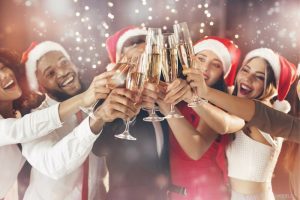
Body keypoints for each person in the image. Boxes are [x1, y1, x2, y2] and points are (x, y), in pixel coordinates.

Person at [20, 41, 138, 200]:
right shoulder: (33, 121)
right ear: (40, 87)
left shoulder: (97, 99)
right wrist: (98, 118)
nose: (62, 72)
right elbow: (53, 165)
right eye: (50, 73)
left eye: (64, 62)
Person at [184, 48, 297, 199]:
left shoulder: (262, 111)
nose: (247, 79)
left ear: (272, 89)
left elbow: (226, 124)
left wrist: (194, 95)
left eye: (259, 77)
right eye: (245, 70)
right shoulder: (242, 106)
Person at [0, 48, 107, 199]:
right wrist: (84, 99)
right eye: (50, 73)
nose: (4, 75)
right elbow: (20, 130)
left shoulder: (19, 113)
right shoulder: (26, 121)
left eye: (4, 68)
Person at [92, 26, 170, 200]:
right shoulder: (109, 96)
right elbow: (98, 148)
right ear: (120, 61)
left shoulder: (163, 94)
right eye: (133, 45)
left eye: (146, 44)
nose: (142, 48)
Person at [159, 36, 241, 200]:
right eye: (201, 58)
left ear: (221, 75)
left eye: (216, 65)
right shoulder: (179, 95)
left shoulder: (216, 104)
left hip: (205, 192)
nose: (205, 67)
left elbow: (195, 150)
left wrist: (166, 106)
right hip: (178, 191)